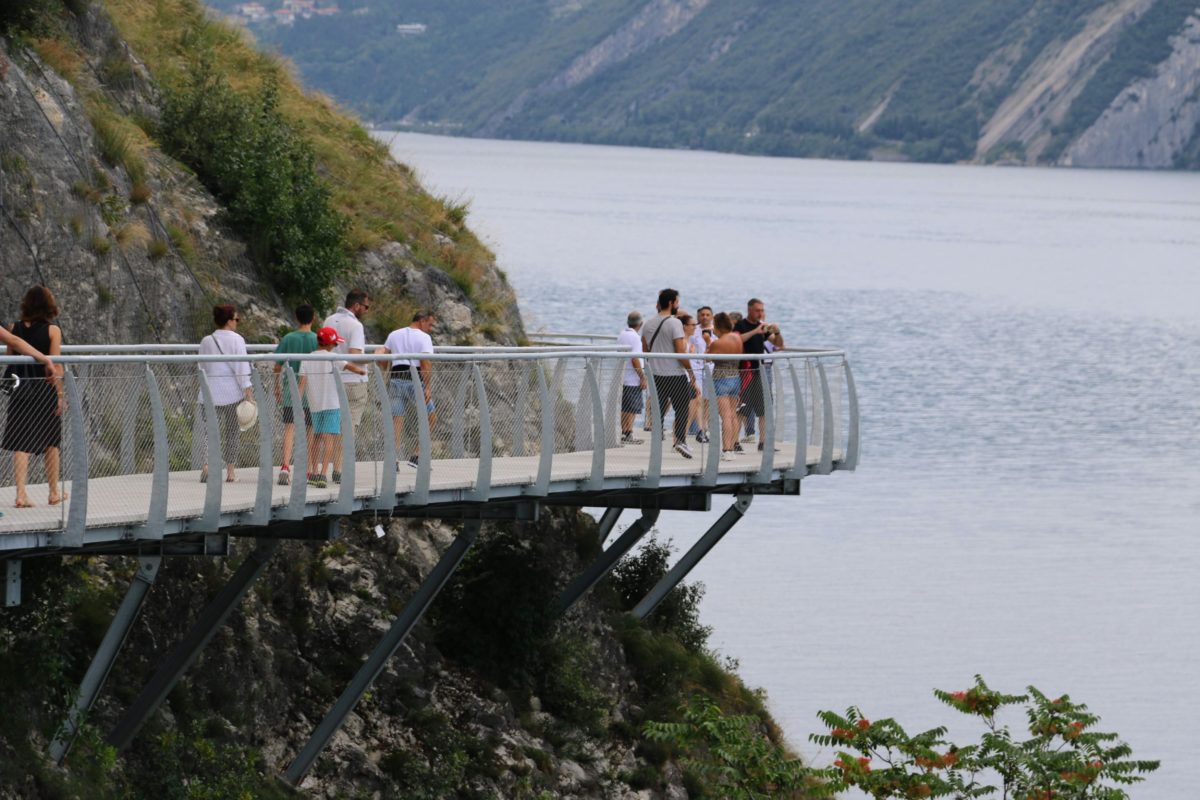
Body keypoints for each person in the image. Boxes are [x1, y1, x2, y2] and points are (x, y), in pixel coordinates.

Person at [2, 285, 65, 508]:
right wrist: (59, 394)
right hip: (44, 389)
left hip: (21, 390)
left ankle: (20, 494)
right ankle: (54, 492)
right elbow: (55, 365)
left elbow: (11, 359)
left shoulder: (14, 328)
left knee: (21, 441)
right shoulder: (53, 331)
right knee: (51, 440)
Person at [299, 327, 366, 487]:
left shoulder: (307, 358)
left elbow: (302, 383)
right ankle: (323, 474)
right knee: (329, 439)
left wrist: (299, 405)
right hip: (331, 403)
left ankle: (313, 472)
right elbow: (348, 366)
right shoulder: (333, 357)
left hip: (314, 404)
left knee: (315, 439)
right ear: (331, 344)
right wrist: (361, 371)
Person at [198, 304, 253, 483]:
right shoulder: (237, 340)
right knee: (232, 433)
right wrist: (248, 392)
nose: (237, 322)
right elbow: (242, 368)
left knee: (208, 431)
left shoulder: (207, 341)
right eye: (236, 319)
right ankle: (230, 472)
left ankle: (206, 466)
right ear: (229, 321)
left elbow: (201, 367)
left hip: (209, 392)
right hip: (232, 393)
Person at [321, 289, 370, 482]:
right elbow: (355, 355)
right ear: (356, 306)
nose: (366, 311)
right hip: (353, 382)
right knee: (348, 428)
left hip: (332, 380)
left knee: (331, 426)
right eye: (365, 307)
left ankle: (327, 467)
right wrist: (375, 358)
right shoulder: (355, 325)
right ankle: (340, 469)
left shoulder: (329, 321)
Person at [376, 310, 436, 468]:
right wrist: (428, 387)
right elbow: (425, 363)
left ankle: (393, 460)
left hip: (395, 379)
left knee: (396, 421)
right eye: (430, 324)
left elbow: (383, 359)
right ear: (422, 321)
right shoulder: (424, 338)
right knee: (430, 417)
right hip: (414, 380)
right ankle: (417, 455)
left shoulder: (394, 334)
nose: (430, 329)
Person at [641, 288, 695, 459]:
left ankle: (657, 441)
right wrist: (691, 371)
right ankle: (679, 440)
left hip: (656, 374)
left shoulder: (648, 324)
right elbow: (680, 352)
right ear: (671, 303)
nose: (678, 305)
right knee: (682, 408)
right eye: (677, 302)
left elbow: (645, 350)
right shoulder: (674, 323)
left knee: (658, 409)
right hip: (675, 374)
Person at [272, 304, 318, 485]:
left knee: (289, 428)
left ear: (297, 318)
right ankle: (307, 470)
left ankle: (285, 465)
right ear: (313, 318)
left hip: (291, 390)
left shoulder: (288, 338)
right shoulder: (317, 339)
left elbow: (277, 365)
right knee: (310, 431)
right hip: (312, 392)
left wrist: (276, 386)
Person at [734, 298, 783, 450]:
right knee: (742, 409)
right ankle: (734, 442)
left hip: (760, 371)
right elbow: (737, 340)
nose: (760, 313)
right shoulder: (741, 325)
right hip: (745, 371)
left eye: (762, 310)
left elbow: (779, 344)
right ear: (749, 310)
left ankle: (763, 442)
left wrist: (777, 332)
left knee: (765, 408)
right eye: (757, 310)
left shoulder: (764, 328)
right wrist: (756, 331)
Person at [706, 312, 744, 459]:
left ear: (718, 326)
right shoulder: (737, 338)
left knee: (726, 416)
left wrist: (708, 341)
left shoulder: (718, 343)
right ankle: (733, 446)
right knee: (733, 414)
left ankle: (727, 449)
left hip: (721, 379)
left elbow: (708, 358)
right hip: (735, 377)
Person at [616, 311, 646, 444]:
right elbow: (635, 359)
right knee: (632, 408)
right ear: (641, 323)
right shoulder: (635, 338)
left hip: (623, 376)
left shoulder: (622, 335)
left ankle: (624, 433)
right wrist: (642, 377)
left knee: (625, 407)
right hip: (633, 378)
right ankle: (628, 433)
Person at [678, 313, 708, 445]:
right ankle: (680, 438)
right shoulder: (683, 341)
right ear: (685, 326)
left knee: (696, 403)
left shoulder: (688, 341)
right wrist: (693, 379)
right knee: (688, 409)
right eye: (693, 325)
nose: (695, 327)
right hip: (685, 378)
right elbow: (682, 361)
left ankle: (698, 432)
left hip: (690, 377)